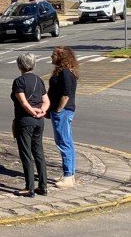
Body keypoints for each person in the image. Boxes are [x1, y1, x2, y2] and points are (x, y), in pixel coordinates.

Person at [11, 53, 50, 197]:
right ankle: (43, 186)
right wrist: (41, 111)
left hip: (25, 120)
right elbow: (46, 101)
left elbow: (23, 102)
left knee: (26, 153)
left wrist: (32, 111)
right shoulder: (39, 80)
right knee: (39, 153)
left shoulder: (19, 81)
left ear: (20, 65)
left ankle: (30, 187)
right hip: (39, 121)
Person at [48, 46, 79, 189]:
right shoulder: (64, 71)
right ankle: (70, 175)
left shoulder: (65, 73)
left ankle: (68, 176)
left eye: (54, 54)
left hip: (64, 111)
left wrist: (58, 110)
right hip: (63, 111)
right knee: (67, 142)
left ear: (61, 57)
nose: (51, 57)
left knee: (63, 142)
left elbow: (66, 94)